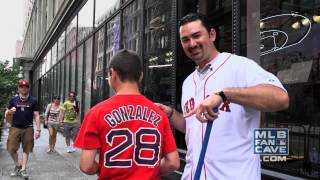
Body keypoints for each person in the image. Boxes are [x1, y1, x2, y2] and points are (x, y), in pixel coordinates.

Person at [156, 13, 289, 180]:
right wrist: (170, 114)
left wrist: (225, 94)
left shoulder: (239, 66)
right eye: (185, 39)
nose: (192, 43)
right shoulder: (188, 82)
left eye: (197, 36)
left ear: (212, 35)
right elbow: (193, 127)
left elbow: (281, 98)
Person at [74, 50, 180, 179]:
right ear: (141, 76)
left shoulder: (96, 113)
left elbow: (86, 165)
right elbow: (173, 162)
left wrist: (103, 170)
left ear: (113, 74)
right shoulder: (159, 114)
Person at [5, 79, 41, 179]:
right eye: (21, 86)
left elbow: (36, 115)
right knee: (11, 149)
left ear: (28, 88)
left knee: (27, 149)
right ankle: (18, 165)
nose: (23, 88)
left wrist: (38, 130)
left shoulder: (33, 100)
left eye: (26, 86)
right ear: (18, 88)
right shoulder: (13, 100)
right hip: (15, 127)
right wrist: (9, 112)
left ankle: (23, 169)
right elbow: (6, 113)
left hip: (28, 128)